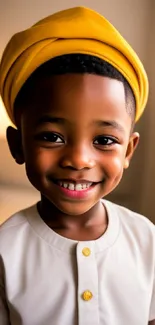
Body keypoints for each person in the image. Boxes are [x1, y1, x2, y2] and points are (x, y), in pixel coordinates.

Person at [0, 6, 154, 325]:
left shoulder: (147, 241)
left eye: (105, 140)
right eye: (52, 136)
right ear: (18, 145)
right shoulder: (5, 250)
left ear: (129, 149)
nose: (79, 160)